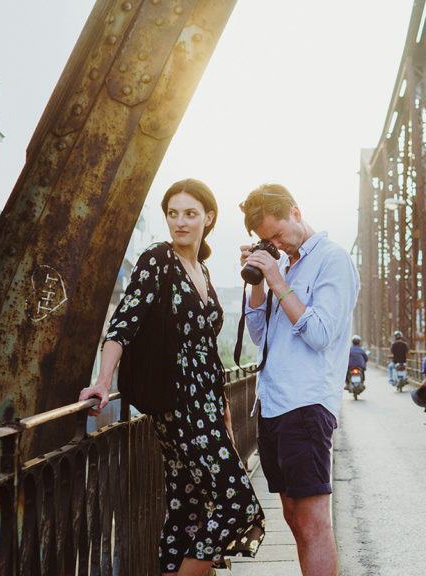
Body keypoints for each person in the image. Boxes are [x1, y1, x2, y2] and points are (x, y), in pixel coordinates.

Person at [78, 179, 265, 576]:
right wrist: (102, 379)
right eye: (173, 213)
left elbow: (209, 353)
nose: (179, 222)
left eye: (190, 214)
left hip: (207, 404)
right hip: (177, 402)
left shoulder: (203, 269)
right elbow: (122, 324)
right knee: (236, 505)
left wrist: (224, 414)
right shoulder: (157, 259)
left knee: (188, 508)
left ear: (208, 219)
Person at [239, 183, 359, 576]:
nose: (275, 243)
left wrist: (277, 280)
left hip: (306, 404)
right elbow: (259, 334)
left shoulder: (332, 260)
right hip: (272, 403)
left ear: (295, 211)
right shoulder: (284, 265)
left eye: (277, 235)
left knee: (312, 521)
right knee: (292, 515)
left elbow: (320, 333)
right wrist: (259, 281)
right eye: (265, 240)